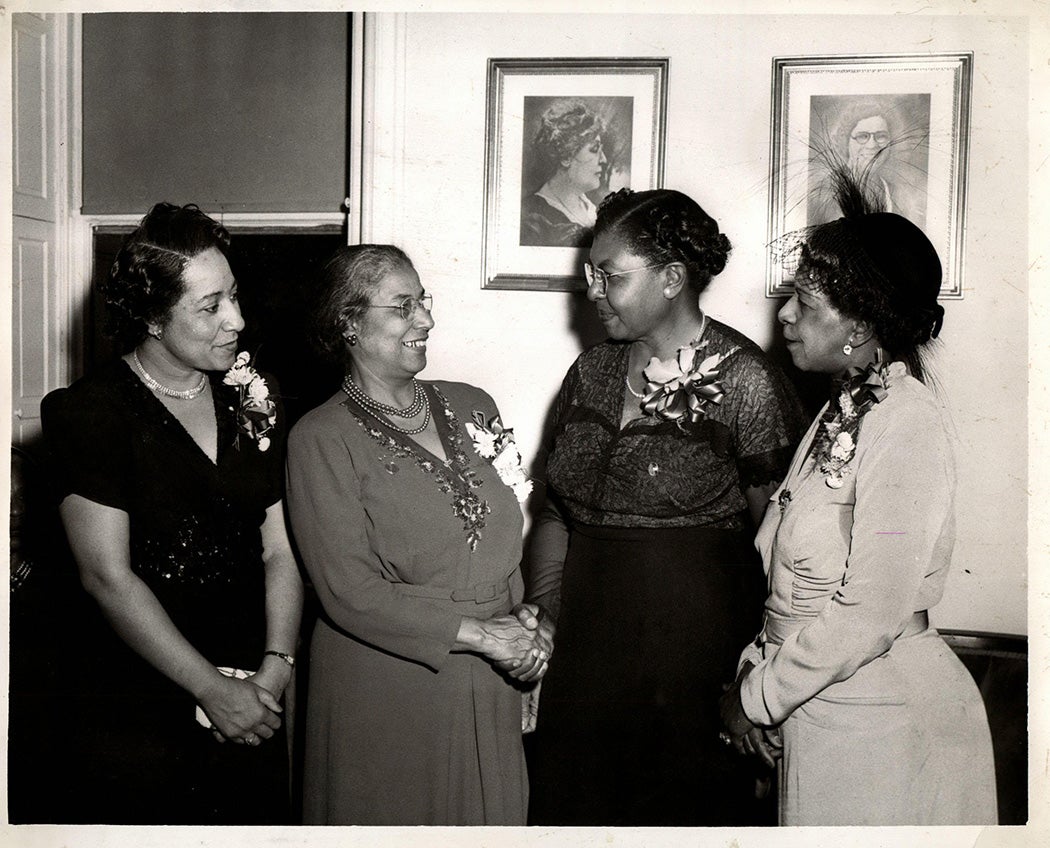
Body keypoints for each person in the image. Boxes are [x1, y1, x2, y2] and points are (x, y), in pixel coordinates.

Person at [719, 169, 997, 825]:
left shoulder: (907, 423)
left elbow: (871, 610)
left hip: (885, 729)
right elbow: (790, 583)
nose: (785, 312)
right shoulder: (843, 409)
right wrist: (755, 673)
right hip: (825, 716)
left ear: (862, 323)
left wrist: (757, 699)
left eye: (807, 302)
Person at [524, 188, 806, 826]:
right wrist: (546, 613)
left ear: (673, 278)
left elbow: (785, 544)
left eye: (612, 276)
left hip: (691, 663)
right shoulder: (589, 372)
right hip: (585, 656)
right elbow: (555, 511)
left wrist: (764, 681)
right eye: (591, 273)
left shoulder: (745, 382)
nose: (593, 289)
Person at [40, 203, 303, 825]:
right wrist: (214, 691)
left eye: (234, 296)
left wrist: (275, 667)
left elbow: (280, 550)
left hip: (255, 689)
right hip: (138, 697)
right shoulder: (90, 413)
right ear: (154, 318)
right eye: (210, 307)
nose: (236, 320)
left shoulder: (249, 398)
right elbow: (107, 577)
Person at [285, 244, 549, 825]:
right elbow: (346, 591)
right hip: (390, 684)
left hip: (494, 670)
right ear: (349, 323)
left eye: (422, 301)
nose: (425, 319)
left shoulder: (473, 404)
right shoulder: (321, 438)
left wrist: (527, 641)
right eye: (402, 307)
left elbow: (505, 537)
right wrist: (483, 635)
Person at [808, 99, 927, 228]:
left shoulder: (897, 194)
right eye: (863, 136)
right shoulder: (825, 191)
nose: (872, 145)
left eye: (881, 136)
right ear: (845, 141)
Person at [520, 99, 608, 247]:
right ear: (566, 156)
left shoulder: (591, 207)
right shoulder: (534, 219)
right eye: (594, 149)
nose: (604, 159)